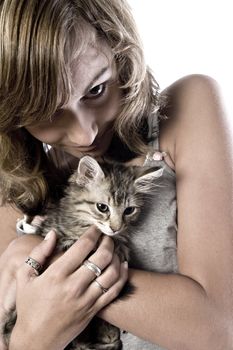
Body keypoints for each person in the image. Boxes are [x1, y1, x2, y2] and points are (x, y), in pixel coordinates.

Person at [0, 0, 232, 349]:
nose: (85, 135)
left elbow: (218, 329)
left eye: (95, 90)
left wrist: (43, 259)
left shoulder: (183, 111)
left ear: (120, 50)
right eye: (49, 113)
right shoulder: (18, 190)